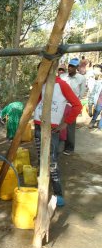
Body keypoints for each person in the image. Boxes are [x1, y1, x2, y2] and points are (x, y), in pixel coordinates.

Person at [33, 74, 81, 207]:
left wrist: (65, 124)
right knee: (40, 159)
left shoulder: (62, 85)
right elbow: (36, 102)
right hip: (38, 127)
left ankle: (58, 193)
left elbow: (77, 105)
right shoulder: (40, 84)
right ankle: (41, 189)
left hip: (51, 128)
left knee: (51, 161)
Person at [60, 58, 86, 155]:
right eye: (69, 66)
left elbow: (82, 92)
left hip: (72, 105)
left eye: (73, 67)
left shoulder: (81, 78)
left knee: (70, 127)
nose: (70, 68)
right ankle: (60, 144)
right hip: (61, 104)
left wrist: (75, 104)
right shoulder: (63, 76)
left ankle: (69, 148)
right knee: (60, 125)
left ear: (77, 68)